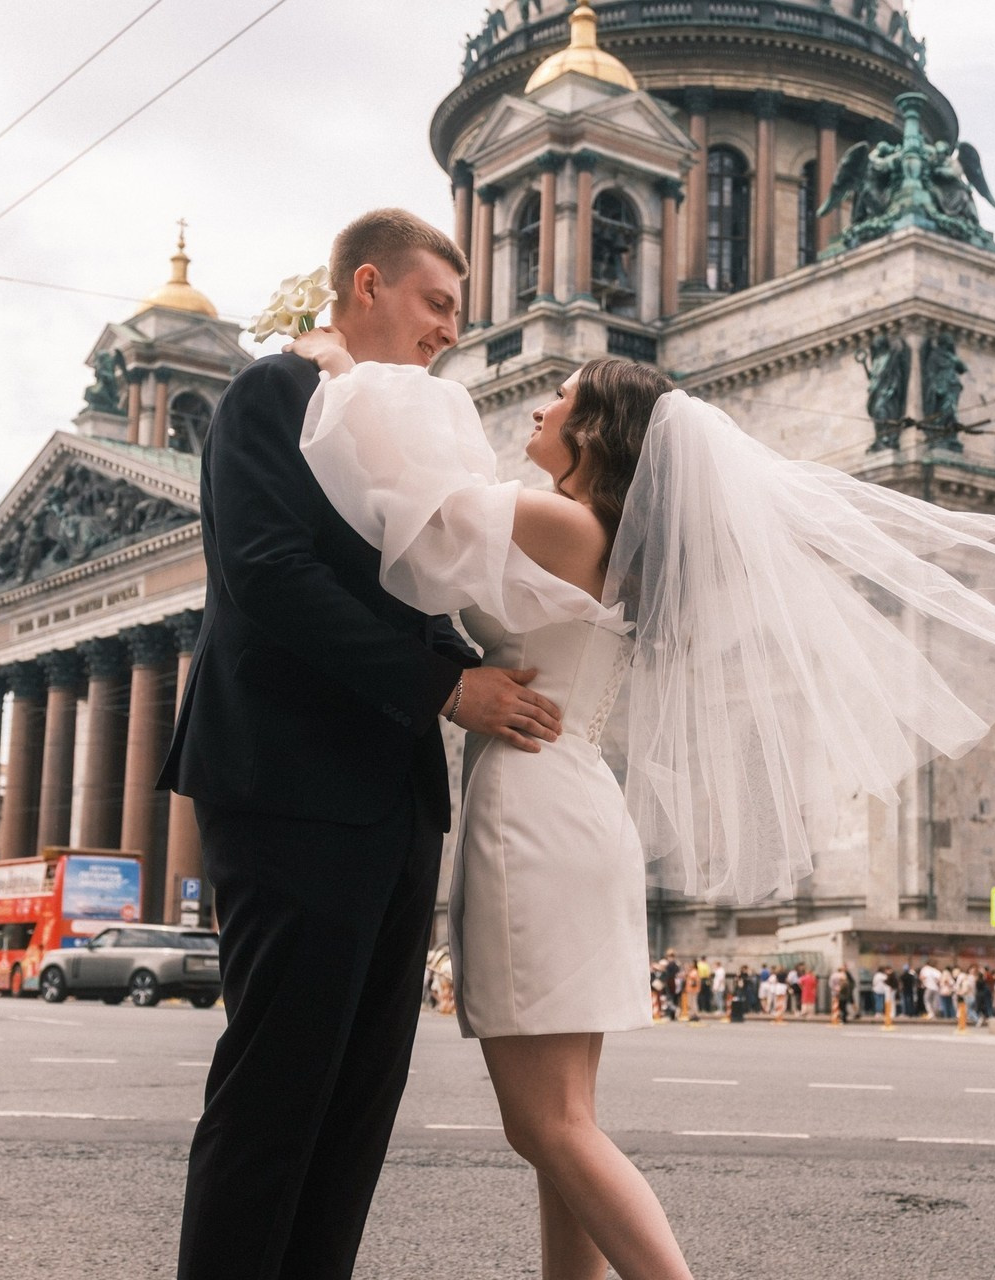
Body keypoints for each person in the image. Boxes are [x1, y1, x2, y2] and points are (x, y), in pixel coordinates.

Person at [293, 333, 995, 1277]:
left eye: (559, 396)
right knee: (563, 1131)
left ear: (598, 429)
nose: (538, 407)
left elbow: (418, 504)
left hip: (533, 816)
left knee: (549, 1127)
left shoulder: (565, 529)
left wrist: (346, 374)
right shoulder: (597, 538)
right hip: (565, 807)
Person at [158, 209, 567, 1280]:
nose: (448, 331)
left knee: (358, 1098)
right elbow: (268, 573)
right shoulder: (273, 393)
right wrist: (446, 685)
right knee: (277, 1088)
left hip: (391, 797)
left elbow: (426, 588)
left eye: (457, 315)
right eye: (436, 304)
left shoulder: (415, 421)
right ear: (368, 284)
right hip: (287, 783)